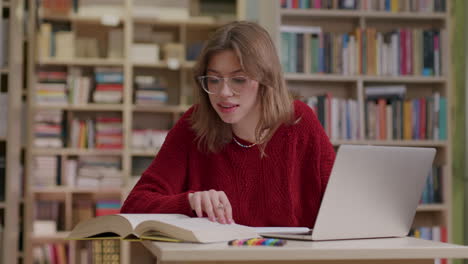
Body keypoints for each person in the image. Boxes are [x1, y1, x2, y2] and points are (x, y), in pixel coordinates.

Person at [121, 21, 335, 228]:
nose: (223, 93)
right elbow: (133, 206)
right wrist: (189, 203)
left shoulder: (299, 121)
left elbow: (343, 205)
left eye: (239, 79)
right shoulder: (194, 124)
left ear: (265, 79)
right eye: (214, 80)